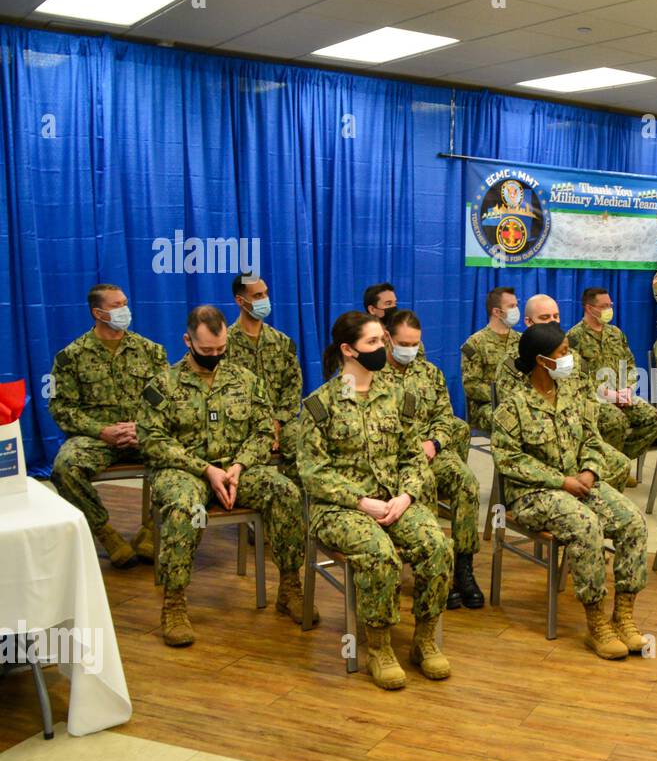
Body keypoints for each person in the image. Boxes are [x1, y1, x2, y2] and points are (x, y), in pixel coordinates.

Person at [298, 312, 453, 690]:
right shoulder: (320, 405)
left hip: (394, 501)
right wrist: (360, 501)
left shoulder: (399, 398)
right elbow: (312, 471)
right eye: (372, 344)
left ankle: (424, 639)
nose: (381, 349)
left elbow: (412, 458)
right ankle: (380, 647)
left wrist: (406, 495)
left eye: (382, 342)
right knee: (380, 553)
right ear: (348, 350)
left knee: (436, 546)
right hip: (340, 508)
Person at [137, 306, 306, 645]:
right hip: (186, 470)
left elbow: (262, 431)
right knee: (183, 507)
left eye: (220, 349)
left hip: (235, 469)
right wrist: (206, 470)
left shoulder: (246, 381)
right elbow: (151, 440)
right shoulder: (163, 385)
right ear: (188, 341)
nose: (215, 356)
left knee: (285, 491)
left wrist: (239, 466)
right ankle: (174, 604)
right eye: (206, 350)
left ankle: (290, 588)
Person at [492, 323, 649, 660]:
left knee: (632, 521)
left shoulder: (574, 393)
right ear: (542, 361)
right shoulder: (514, 405)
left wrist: (591, 470)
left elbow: (593, 438)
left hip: (580, 480)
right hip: (533, 493)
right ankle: (596, 623)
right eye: (563, 352)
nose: (570, 358)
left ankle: (623, 616)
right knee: (586, 525)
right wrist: (560, 481)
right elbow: (508, 459)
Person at [50, 283, 168, 568]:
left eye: (125, 303)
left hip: (142, 434)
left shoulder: (151, 351)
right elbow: (61, 407)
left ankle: (153, 529)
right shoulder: (70, 357)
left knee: (182, 456)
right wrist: (102, 431)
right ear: (98, 313)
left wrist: (141, 428)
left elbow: (169, 400)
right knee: (64, 467)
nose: (124, 310)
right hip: (98, 438)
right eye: (117, 306)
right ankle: (106, 534)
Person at [385, 309, 483, 609]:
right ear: (387, 339)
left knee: (466, 482)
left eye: (415, 343)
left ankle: (463, 569)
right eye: (404, 343)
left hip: (431, 452)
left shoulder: (430, 373)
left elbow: (445, 416)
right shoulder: (372, 375)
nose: (410, 350)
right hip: (393, 460)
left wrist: (435, 442)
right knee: (423, 485)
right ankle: (428, 571)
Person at [495, 294, 631, 491]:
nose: (552, 322)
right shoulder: (512, 364)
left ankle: (593, 499)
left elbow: (589, 395)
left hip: (577, 432)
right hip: (539, 442)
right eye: (545, 318)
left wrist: (586, 445)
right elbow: (511, 414)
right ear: (528, 322)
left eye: (556, 316)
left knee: (620, 463)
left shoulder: (571, 357)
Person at [566, 287, 657, 473]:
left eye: (610, 305)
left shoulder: (615, 333)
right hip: (595, 399)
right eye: (603, 306)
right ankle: (607, 470)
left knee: (653, 418)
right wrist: (610, 395)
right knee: (616, 421)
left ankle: (618, 463)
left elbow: (630, 365)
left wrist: (628, 390)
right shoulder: (574, 337)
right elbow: (576, 378)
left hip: (622, 395)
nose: (609, 309)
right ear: (588, 308)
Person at [226, 274, 303, 477]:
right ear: (240, 301)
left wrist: (277, 422)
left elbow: (293, 387)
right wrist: (262, 428)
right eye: (258, 295)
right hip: (239, 424)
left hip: (280, 422)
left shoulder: (281, 342)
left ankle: (300, 504)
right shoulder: (224, 344)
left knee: (303, 444)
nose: (265, 299)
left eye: (266, 294)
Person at [460, 286, 520, 433]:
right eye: (512, 306)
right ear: (497, 312)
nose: (516, 310)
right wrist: (503, 395)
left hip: (519, 402)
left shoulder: (522, 340)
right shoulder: (475, 343)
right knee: (510, 420)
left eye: (516, 305)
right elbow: (471, 385)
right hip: (487, 406)